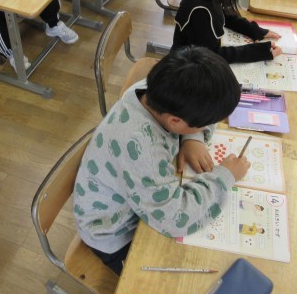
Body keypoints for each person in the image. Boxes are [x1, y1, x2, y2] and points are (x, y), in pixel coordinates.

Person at [73, 46, 251, 274]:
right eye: (203, 125)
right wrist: (225, 177)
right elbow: (175, 218)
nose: (207, 127)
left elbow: (197, 111)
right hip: (114, 233)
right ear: (175, 121)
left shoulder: (155, 91)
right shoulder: (141, 148)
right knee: (182, 274)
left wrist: (192, 138)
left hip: (138, 201)